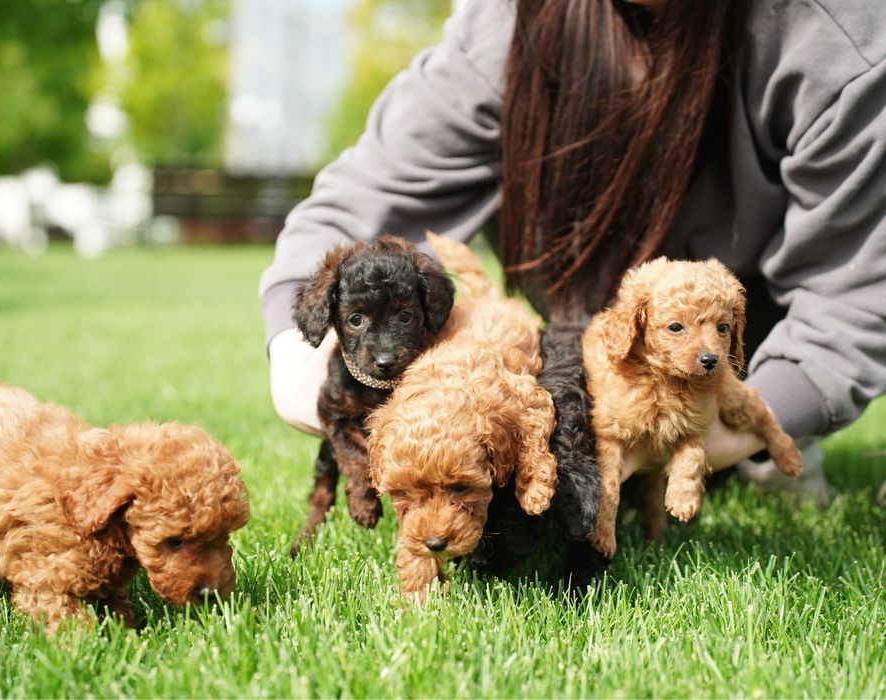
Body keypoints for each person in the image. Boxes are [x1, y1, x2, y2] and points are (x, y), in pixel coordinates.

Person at [260, 0, 886, 502]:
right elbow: (368, 195)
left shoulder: (837, 40)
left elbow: (856, 296)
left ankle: (770, 455)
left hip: (736, 363)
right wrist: (308, 370)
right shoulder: (508, 24)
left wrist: (720, 424)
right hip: (568, 342)